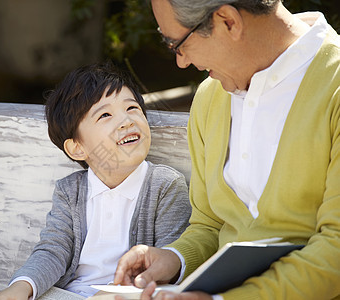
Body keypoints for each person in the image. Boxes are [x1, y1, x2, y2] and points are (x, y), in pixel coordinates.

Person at [113, 0, 340, 299]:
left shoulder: (333, 85)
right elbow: (211, 223)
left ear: (228, 21)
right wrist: (176, 258)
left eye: (177, 43)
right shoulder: (211, 97)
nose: (180, 62)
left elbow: (335, 250)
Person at [0, 61, 192, 300]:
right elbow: (53, 251)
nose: (126, 121)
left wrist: (116, 292)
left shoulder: (164, 186)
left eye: (132, 108)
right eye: (105, 115)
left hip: (132, 294)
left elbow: (165, 262)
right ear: (77, 148)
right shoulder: (69, 191)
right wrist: (19, 288)